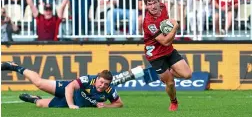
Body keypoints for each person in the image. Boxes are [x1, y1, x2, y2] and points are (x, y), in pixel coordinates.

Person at [1, 62, 152, 109]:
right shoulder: (88, 79)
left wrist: (106, 106)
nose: (101, 86)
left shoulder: (110, 90)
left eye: (105, 84)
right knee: (39, 83)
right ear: (97, 78)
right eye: (100, 82)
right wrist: (71, 105)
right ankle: (15, 67)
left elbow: (119, 104)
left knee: (40, 104)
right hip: (67, 90)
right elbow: (70, 88)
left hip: (76, 101)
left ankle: (34, 99)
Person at [142, 0, 192, 111]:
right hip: (155, 55)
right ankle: (174, 101)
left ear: (159, 2)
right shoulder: (149, 23)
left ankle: (168, 71)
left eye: (155, 3)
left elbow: (165, 22)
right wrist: (175, 27)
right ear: (146, 6)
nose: (153, 6)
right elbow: (165, 41)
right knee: (170, 83)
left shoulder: (163, 7)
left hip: (168, 51)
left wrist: (168, 25)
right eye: (149, 4)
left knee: (188, 75)